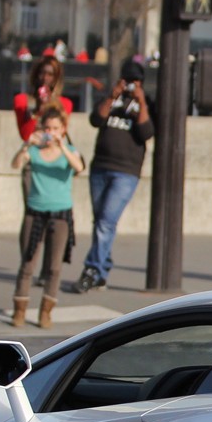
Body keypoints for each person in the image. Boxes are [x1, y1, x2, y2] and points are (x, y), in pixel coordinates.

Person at [72, 59, 156, 293]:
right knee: (100, 221)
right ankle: (103, 268)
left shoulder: (146, 103)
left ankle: (91, 269)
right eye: (127, 80)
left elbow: (146, 132)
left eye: (135, 82)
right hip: (100, 165)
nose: (130, 85)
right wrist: (112, 95)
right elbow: (95, 120)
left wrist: (140, 100)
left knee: (106, 222)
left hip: (126, 171)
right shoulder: (113, 98)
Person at [9, 106, 84, 329]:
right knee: (27, 263)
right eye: (47, 127)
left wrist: (63, 147)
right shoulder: (34, 150)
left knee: (54, 267)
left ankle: (46, 312)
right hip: (35, 212)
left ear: (63, 129)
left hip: (60, 213)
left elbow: (79, 167)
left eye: (55, 128)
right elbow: (15, 164)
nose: (51, 132)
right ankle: (19, 310)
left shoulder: (70, 150)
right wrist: (27, 144)